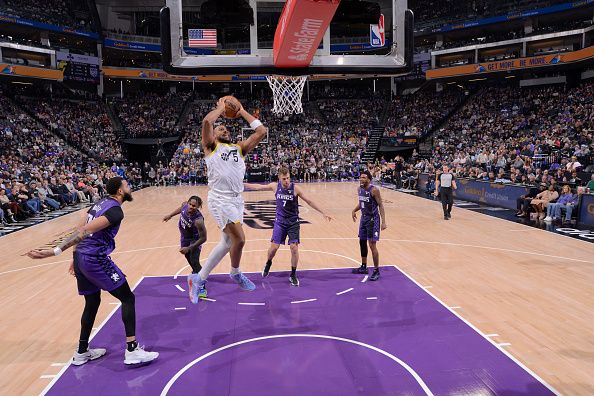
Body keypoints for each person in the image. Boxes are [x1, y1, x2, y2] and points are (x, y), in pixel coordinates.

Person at [26, 177, 158, 366]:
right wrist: (55, 251)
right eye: (127, 185)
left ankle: (81, 352)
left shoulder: (100, 203)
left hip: (82, 258)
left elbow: (80, 226)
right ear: (120, 191)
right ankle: (132, 350)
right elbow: (84, 230)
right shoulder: (115, 211)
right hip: (94, 258)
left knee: (92, 301)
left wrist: (75, 256)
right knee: (127, 298)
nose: (129, 188)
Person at [194, 97, 268, 299]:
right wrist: (220, 108)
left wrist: (242, 111)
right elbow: (207, 122)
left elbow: (261, 132)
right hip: (220, 200)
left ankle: (199, 279)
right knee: (240, 240)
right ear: (214, 136)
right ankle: (235, 272)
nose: (225, 131)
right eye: (221, 130)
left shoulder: (239, 148)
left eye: (227, 129)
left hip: (236, 200)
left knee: (227, 243)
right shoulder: (211, 147)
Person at [245, 167, 333, 286]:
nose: (286, 181)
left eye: (288, 178)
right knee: (274, 248)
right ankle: (268, 262)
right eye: (284, 179)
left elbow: (309, 201)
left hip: (293, 222)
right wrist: (243, 184)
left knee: (294, 248)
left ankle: (293, 274)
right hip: (280, 222)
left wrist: (323, 212)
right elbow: (258, 187)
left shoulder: (295, 188)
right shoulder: (274, 186)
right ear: (279, 178)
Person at [163, 196, 208, 303]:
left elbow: (204, 238)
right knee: (189, 260)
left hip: (195, 240)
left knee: (195, 261)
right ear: (187, 203)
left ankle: (202, 286)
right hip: (184, 238)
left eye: (194, 206)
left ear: (198, 207)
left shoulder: (198, 221)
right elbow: (181, 208)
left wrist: (190, 247)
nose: (191, 207)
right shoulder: (184, 206)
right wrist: (170, 215)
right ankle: (196, 273)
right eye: (190, 204)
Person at [351, 170, 387, 281]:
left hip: (373, 219)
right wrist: (354, 210)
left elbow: (380, 205)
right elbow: (362, 202)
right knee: (362, 241)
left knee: (372, 245)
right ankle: (363, 266)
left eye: (364, 177)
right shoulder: (359, 189)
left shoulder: (374, 190)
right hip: (364, 218)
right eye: (360, 177)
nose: (361, 179)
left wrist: (384, 221)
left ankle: (376, 270)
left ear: (369, 179)